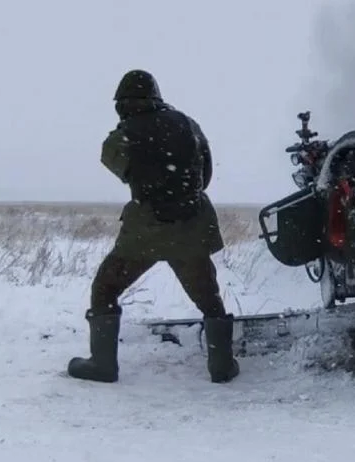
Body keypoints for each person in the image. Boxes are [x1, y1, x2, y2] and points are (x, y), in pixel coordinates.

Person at [66, 69, 239, 384]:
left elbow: (119, 166)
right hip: (191, 225)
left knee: (105, 288)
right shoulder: (188, 125)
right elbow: (206, 174)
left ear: (121, 104)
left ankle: (103, 365)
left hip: (146, 229)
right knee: (209, 299)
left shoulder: (122, 136)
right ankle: (222, 365)